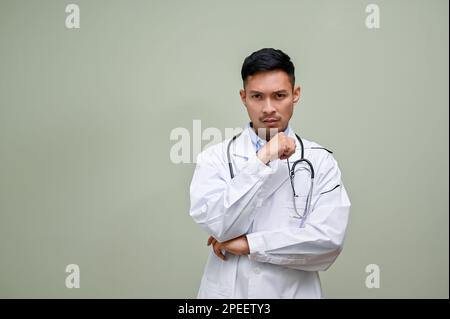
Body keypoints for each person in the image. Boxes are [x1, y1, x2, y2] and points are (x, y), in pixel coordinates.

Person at [189, 48, 351, 298]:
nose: (268, 108)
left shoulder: (320, 161)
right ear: (243, 97)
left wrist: (249, 245)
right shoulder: (215, 158)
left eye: (279, 95)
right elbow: (220, 225)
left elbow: (327, 242)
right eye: (257, 96)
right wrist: (263, 158)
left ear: (295, 94)